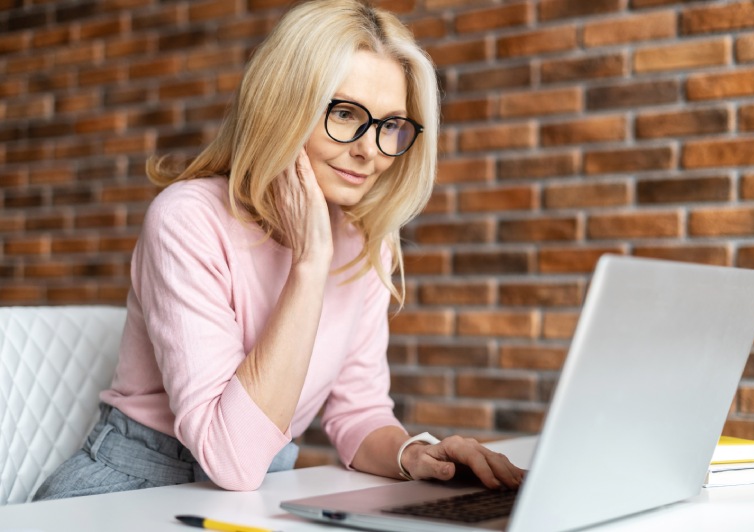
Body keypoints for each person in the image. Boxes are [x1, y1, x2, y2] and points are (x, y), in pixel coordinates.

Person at [34, 0, 524, 500]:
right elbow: (231, 456)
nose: (371, 150)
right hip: (126, 490)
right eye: (345, 113)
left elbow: (359, 412)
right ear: (284, 106)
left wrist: (412, 454)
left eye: (391, 125)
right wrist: (310, 266)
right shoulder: (187, 219)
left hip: (259, 490)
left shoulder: (363, 244)